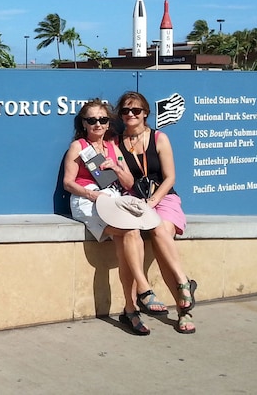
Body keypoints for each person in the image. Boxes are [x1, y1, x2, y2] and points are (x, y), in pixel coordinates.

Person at [63, 98, 165, 336]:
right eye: (92, 120)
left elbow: (129, 182)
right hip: (88, 200)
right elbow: (68, 182)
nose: (98, 125)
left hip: (114, 199)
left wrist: (117, 168)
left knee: (129, 234)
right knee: (129, 231)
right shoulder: (78, 147)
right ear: (84, 123)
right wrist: (91, 193)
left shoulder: (113, 147)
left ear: (109, 123)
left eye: (103, 120)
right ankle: (143, 289)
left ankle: (130, 310)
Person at [116, 91, 197, 334]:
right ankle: (141, 304)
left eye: (136, 111)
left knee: (160, 232)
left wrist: (153, 200)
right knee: (134, 241)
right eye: (126, 111)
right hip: (135, 200)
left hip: (164, 197)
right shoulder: (117, 142)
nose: (131, 115)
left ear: (146, 114)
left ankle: (183, 297)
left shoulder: (159, 138)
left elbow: (170, 176)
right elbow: (128, 181)